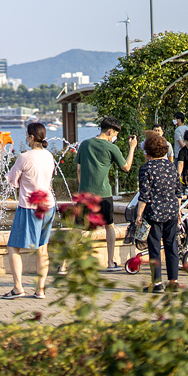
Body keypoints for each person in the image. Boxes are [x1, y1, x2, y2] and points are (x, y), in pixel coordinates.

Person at [76, 116, 138, 272]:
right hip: (103, 193)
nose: (115, 137)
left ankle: (64, 265)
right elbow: (127, 167)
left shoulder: (85, 144)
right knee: (109, 226)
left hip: (84, 194)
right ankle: (110, 262)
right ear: (110, 131)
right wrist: (132, 147)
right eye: (115, 133)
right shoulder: (111, 148)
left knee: (77, 229)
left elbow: (79, 169)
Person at [2, 122, 57, 300]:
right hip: (48, 205)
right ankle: (40, 289)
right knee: (42, 248)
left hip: (29, 207)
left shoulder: (24, 157)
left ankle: (18, 287)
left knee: (13, 247)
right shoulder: (49, 156)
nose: (26, 138)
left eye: (27, 135)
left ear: (31, 137)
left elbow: (12, 180)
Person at [134, 131, 184, 293]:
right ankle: (173, 281)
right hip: (171, 210)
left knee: (155, 247)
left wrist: (139, 215)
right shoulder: (170, 166)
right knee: (171, 245)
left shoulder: (146, 168)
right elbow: (178, 191)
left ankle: (157, 283)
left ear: (148, 151)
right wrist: (178, 211)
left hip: (154, 212)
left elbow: (144, 195)